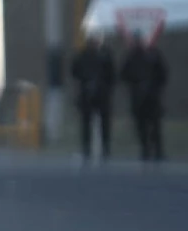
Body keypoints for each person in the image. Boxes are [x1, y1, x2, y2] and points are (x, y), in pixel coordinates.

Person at [120, 31, 169, 161]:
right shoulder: (131, 57)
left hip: (152, 96)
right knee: (141, 125)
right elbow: (124, 75)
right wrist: (136, 85)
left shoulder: (154, 54)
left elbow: (163, 74)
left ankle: (158, 150)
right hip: (138, 97)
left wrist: (155, 87)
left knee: (155, 124)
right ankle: (145, 149)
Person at [70, 32, 116, 162]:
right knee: (86, 122)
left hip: (102, 94)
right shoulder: (83, 55)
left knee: (104, 123)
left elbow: (112, 75)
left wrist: (106, 87)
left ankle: (106, 147)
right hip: (87, 94)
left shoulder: (106, 55)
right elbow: (75, 71)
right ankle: (86, 147)